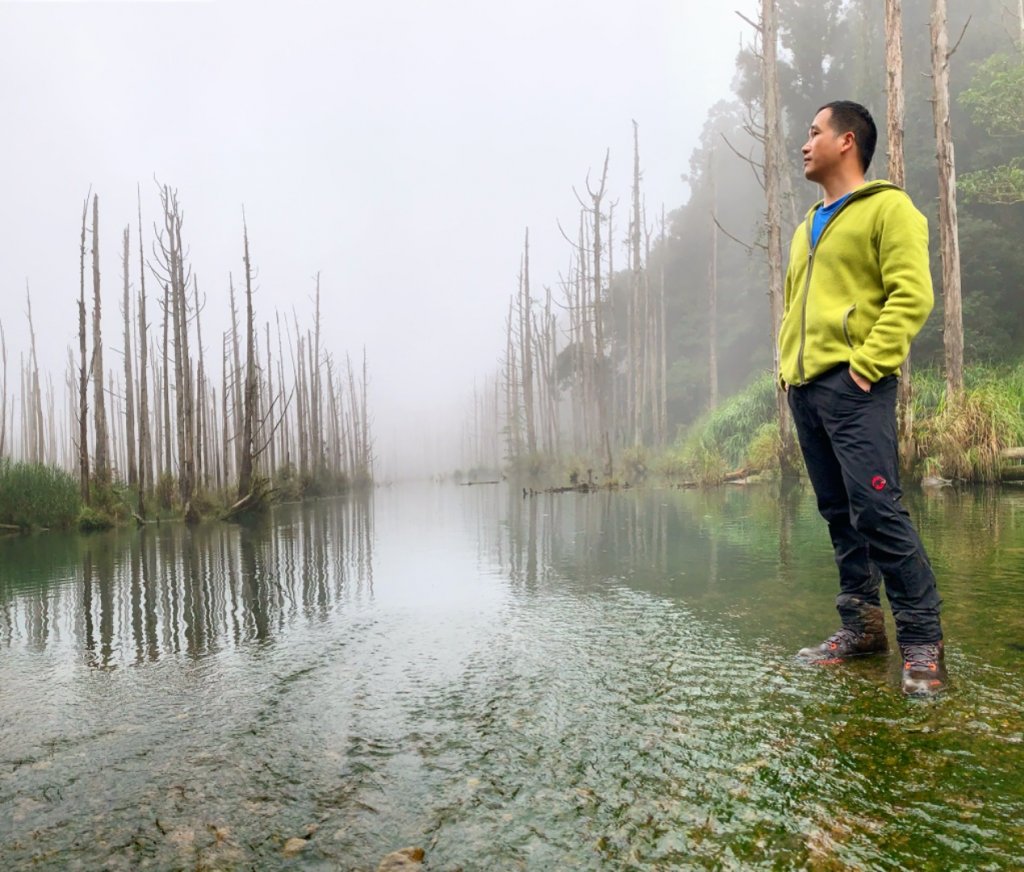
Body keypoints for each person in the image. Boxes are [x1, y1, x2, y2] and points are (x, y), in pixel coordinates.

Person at [778, 100, 947, 696]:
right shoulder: (805, 229)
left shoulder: (889, 208)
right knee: (838, 514)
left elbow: (912, 295)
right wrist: (785, 371)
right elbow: (796, 305)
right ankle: (863, 629)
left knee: (877, 510)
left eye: (814, 131)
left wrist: (866, 368)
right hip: (804, 389)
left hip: (856, 385)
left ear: (847, 141)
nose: (804, 142)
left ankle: (923, 640)